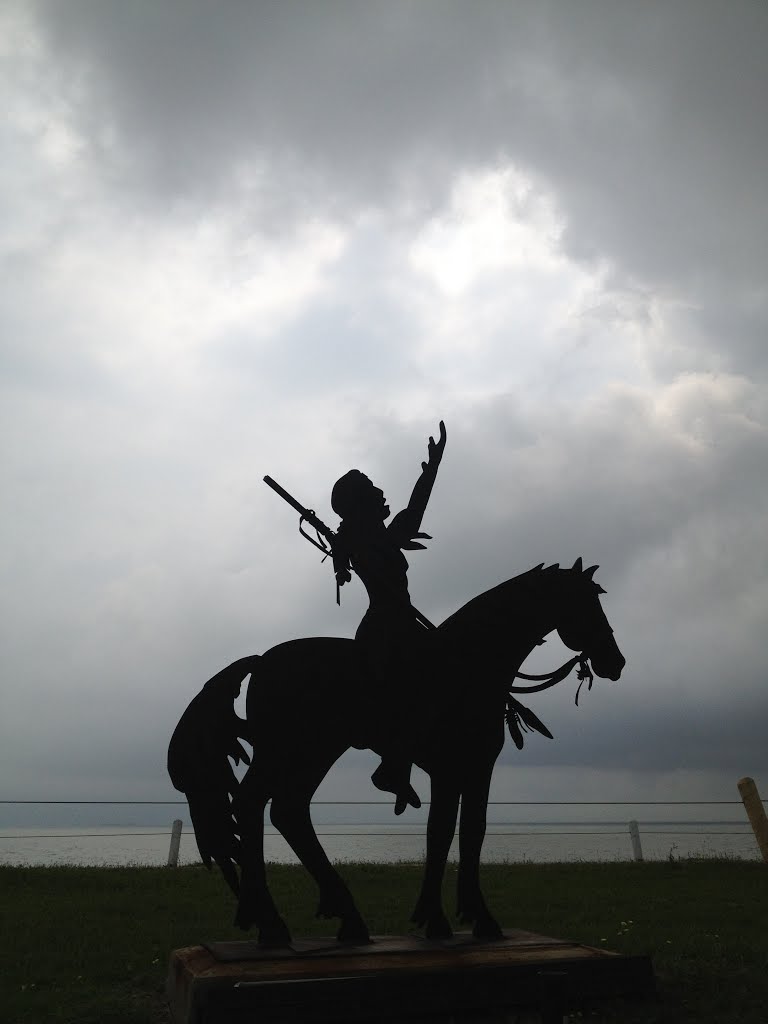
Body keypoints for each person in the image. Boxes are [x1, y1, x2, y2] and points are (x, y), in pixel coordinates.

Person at [331, 421, 446, 813]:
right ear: (363, 502)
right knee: (411, 690)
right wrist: (344, 555)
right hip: (386, 626)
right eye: (371, 487)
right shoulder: (365, 540)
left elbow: (414, 511)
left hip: (398, 621)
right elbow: (357, 554)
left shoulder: (378, 536)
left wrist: (430, 471)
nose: (381, 490)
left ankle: (401, 764)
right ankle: (393, 765)